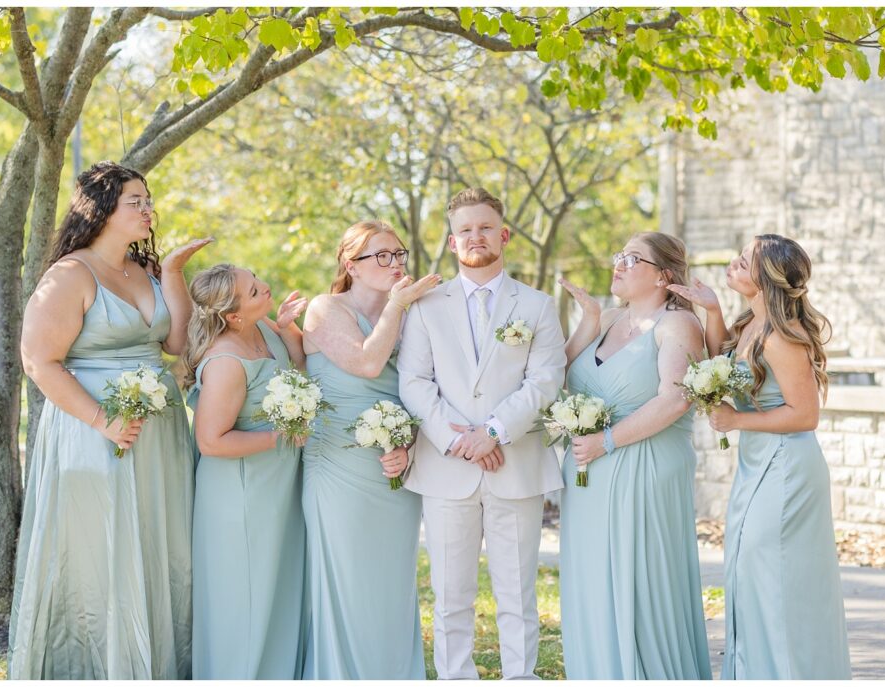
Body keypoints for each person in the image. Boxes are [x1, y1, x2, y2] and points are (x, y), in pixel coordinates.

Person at [11, 161, 211, 679]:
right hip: (91, 431)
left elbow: (174, 343)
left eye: (148, 200)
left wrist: (173, 275)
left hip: (157, 433)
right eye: (135, 202)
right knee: (101, 547)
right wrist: (103, 421)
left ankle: (160, 665)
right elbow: (39, 361)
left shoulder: (143, 270)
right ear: (101, 211)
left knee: (161, 544)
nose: (148, 209)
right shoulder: (70, 274)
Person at [397, 188, 566, 679]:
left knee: (518, 593)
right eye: (465, 229)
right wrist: (457, 440)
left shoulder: (536, 306)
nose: (476, 236)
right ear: (453, 243)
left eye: (485, 227)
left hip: (516, 465)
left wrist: (492, 431)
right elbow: (414, 380)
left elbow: (546, 379)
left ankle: (520, 678)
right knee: (450, 596)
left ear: (504, 235)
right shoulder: (426, 305)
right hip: (447, 468)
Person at [668, 234, 851, 679]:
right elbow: (720, 366)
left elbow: (805, 415)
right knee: (748, 571)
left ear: (766, 277)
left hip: (788, 466)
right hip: (759, 462)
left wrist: (737, 422)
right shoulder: (749, 324)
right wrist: (711, 310)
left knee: (773, 577)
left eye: (744, 260)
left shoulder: (783, 338)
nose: (733, 262)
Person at [557, 233, 712, 679]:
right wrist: (586, 321)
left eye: (632, 258)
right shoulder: (605, 319)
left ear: (664, 275)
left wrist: (606, 441)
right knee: (593, 583)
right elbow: (558, 376)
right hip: (588, 475)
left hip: (645, 468)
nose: (618, 264)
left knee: (642, 584)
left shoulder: (677, 326)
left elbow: (676, 399)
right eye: (618, 254)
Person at [300, 220, 441, 679]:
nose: (396, 263)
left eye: (398, 253)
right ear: (351, 264)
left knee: (391, 582)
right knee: (348, 580)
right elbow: (366, 361)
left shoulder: (416, 314)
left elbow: (426, 389)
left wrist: (409, 443)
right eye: (382, 255)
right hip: (338, 465)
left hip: (393, 467)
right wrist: (397, 305)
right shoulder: (325, 308)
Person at [184, 264, 308, 679]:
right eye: (255, 290)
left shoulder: (265, 329)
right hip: (240, 493)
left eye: (258, 278)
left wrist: (290, 330)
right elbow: (211, 441)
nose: (266, 286)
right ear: (232, 315)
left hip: (276, 486)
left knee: (277, 588)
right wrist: (282, 437)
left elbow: (299, 369)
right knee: (245, 597)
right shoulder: (225, 362)